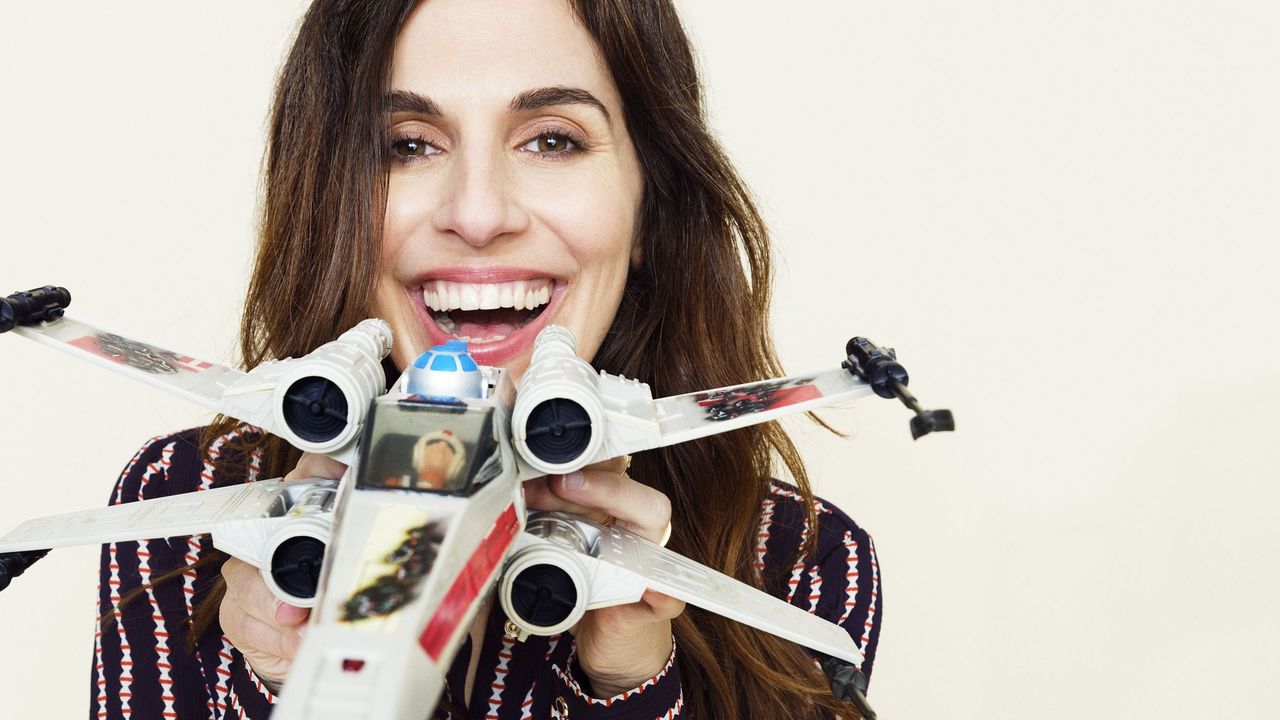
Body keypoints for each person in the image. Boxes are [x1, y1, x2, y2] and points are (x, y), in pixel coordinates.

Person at [92, 1, 883, 718]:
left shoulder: (803, 568)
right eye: (406, 146)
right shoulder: (190, 508)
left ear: (652, 207)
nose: (477, 214)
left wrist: (629, 685)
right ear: (328, 201)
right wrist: (271, 679)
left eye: (552, 140)